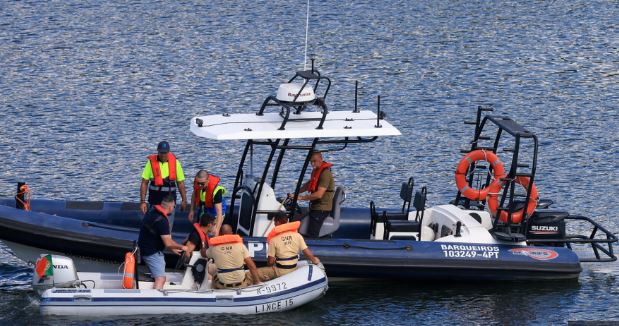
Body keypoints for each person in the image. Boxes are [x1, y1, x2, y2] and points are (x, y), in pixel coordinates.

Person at [137, 194, 188, 289]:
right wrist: (182, 247)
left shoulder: (152, 212)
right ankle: (155, 300)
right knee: (161, 278)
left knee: (159, 274)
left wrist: (173, 249)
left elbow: (162, 237)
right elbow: (168, 243)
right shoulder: (162, 221)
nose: (174, 208)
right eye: (174, 206)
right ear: (170, 207)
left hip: (145, 247)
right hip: (151, 252)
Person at [253, 215, 321, 282]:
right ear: (287, 221)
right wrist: (315, 260)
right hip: (293, 268)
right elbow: (307, 252)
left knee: (251, 274)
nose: (274, 224)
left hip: (280, 271)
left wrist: (268, 269)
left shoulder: (273, 240)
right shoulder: (297, 235)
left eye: (274, 222)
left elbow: (270, 261)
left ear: (278, 222)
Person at [139, 141, 188, 229]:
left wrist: (184, 200)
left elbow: (180, 183)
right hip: (155, 201)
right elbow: (144, 182)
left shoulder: (176, 163)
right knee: (152, 228)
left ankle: (166, 241)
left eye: (165, 152)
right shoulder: (150, 163)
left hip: (169, 203)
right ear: (158, 151)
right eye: (161, 152)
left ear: (168, 152)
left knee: (167, 228)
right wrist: (143, 201)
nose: (163, 155)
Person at [291, 151, 335, 237]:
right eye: (311, 162)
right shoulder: (316, 171)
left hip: (321, 209)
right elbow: (308, 185)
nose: (313, 164)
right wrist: (296, 193)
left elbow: (319, 194)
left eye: (315, 161)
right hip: (315, 207)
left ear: (321, 159)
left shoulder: (325, 173)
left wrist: (301, 198)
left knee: (312, 234)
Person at [206, 224, 261, 289]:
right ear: (232, 233)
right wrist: (257, 282)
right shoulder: (241, 246)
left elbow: (205, 254)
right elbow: (251, 266)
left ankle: (213, 292)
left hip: (224, 286)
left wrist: (203, 248)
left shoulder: (214, 248)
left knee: (214, 274)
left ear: (221, 234)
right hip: (240, 285)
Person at [187, 170, 227, 236]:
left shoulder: (216, 191)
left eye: (202, 183)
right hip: (205, 210)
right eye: (198, 183)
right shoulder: (197, 185)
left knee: (212, 232)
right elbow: (194, 195)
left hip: (216, 213)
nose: (200, 185)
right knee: (199, 231)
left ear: (208, 181)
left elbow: (219, 212)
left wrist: (217, 229)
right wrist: (192, 210)